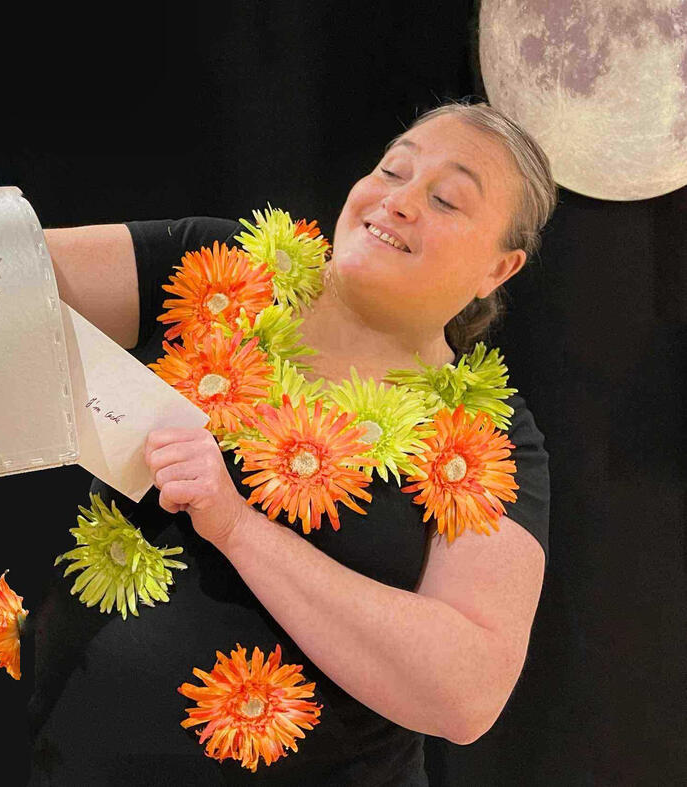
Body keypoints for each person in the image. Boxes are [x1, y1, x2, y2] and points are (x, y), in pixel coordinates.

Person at [27, 98, 556, 785]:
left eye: (447, 199)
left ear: (498, 269)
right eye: (392, 169)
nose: (397, 200)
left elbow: (466, 690)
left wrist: (237, 527)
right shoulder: (217, 266)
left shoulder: (486, 438)